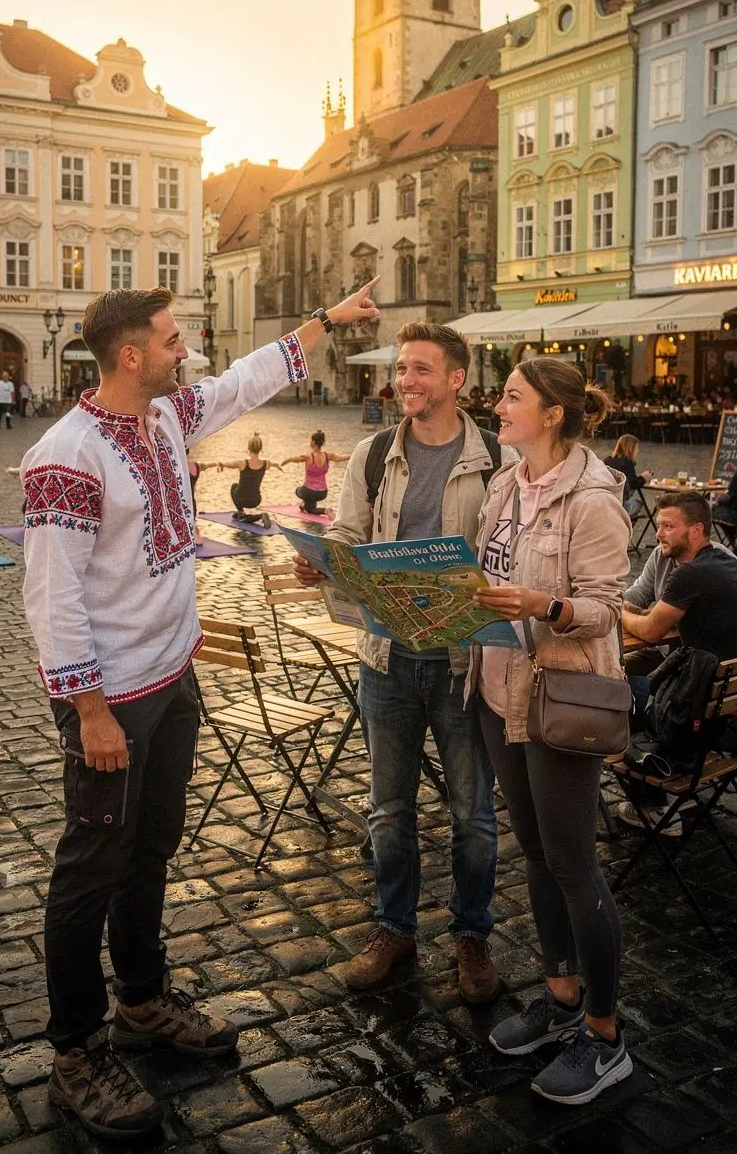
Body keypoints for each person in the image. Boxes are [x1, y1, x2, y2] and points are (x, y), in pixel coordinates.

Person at [19, 281, 378, 1140]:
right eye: (172, 339)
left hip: (172, 681)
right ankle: (76, 1051)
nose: (187, 351)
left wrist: (325, 322)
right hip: (111, 704)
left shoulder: (168, 415)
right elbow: (52, 599)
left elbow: (248, 380)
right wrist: (93, 712)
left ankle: (142, 1000)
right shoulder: (64, 457)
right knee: (89, 869)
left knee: (151, 849)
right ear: (130, 354)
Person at [293, 322, 507, 1005]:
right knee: (389, 809)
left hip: (462, 663)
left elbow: (508, 555)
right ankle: (394, 926)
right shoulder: (375, 452)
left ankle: (471, 934)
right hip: (387, 658)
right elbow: (351, 531)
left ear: (455, 381)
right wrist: (324, 559)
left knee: (474, 815)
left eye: (420, 369)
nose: (405, 380)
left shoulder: (497, 460)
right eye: (401, 368)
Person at [471, 357, 633, 1107]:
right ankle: (561, 996)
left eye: (511, 397)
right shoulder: (506, 482)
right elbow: (481, 574)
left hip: (559, 694)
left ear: (553, 414)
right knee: (535, 853)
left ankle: (605, 1036)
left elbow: (606, 608)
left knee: (573, 863)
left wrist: (547, 604)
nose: (497, 405)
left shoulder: (593, 498)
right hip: (498, 688)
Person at [619, 493, 737, 831]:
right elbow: (645, 602)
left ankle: (658, 801)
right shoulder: (726, 564)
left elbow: (649, 630)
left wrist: (616, 611)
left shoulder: (693, 574)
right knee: (631, 670)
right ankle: (673, 780)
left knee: (614, 691)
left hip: (710, 719)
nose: (659, 534)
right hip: (723, 700)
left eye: (669, 526)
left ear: (696, 530)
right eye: (659, 526)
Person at [282, 430, 349, 514]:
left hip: (308, 491)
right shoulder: (328, 456)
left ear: (313, 442)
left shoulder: (308, 457)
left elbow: (293, 459)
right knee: (309, 509)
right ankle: (324, 510)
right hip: (323, 493)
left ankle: (304, 503)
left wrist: (284, 462)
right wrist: (353, 455)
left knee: (298, 490)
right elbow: (341, 458)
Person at [217, 433, 277, 526]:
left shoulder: (242, 463)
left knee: (234, 486)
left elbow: (229, 464)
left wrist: (221, 464)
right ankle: (246, 514)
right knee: (237, 487)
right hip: (256, 500)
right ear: (260, 448)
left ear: (248, 448)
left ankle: (245, 513)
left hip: (242, 499)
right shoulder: (266, 464)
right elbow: (273, 464)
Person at [604, 434, 653, 519]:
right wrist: (644, 478)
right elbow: (633, 484)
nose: (637, 452)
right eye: (636, 449)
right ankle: (626, 526)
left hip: (606, 502)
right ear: (631, 449)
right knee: (640, 504)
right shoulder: (627, 462)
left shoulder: (607, 460)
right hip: (620, 505)